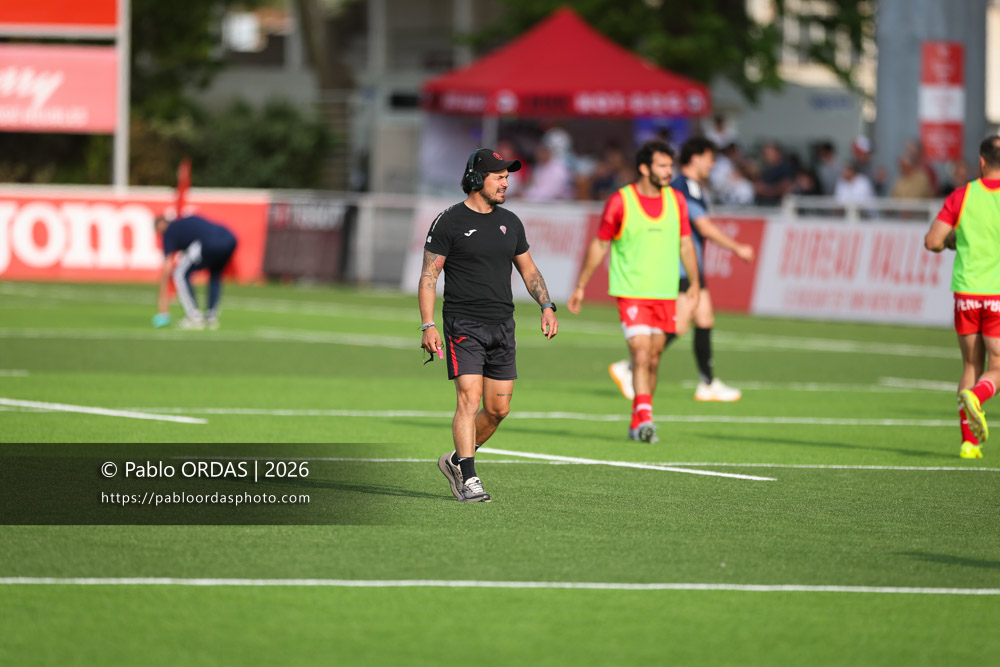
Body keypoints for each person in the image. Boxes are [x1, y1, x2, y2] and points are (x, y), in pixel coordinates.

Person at [420, 148, 559, 501]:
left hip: (502, 326)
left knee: (498, 410)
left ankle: (455, 460)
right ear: (476, 178)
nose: (506, 183)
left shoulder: (511, 222)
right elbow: (428, 277)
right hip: (463, 324)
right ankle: (468, 477)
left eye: (507, 177)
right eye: (499, 177)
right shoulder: (448, 221)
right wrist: (427, 325)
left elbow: (529, 270)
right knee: (469, 397)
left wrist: (546, 304)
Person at [567, 140, 700, 443]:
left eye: (670, 166)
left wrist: (693, 282)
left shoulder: (677, 200)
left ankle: (637, 418)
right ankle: (647, 418)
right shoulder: (620, 201)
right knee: (640, 352)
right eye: (663, 166)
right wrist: (581, 286)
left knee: (653, 358)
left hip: (665, 292)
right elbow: (601, 243)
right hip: (631, 291)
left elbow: (685, 243)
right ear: (644, 168)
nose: (669, 172)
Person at [604, 138, 754, 404]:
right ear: (695, 158)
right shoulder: (681, 187)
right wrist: (738, 248)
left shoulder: (693, 187)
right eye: (709, 157)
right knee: (681, 324)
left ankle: (708, 383)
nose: (713, 163)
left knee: (705, 319)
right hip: (679, 267)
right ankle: (630, 366)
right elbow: (703, 226)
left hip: (692, 266)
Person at [924, 134, 1000, 459]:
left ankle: (969, 443)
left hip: (966, 292)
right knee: (997, 367)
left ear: (981, 161)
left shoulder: (962, 195)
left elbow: (932, 241)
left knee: (971, 364)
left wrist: (951, 242)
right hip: (997, 295)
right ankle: (979, 398)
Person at [153, 214, 238, 330]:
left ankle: (194, 317)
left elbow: (167, 266)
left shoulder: (169, 232)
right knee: (215, 275)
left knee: (179, 273)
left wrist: (162, 298)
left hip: (208, 242)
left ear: (161, 225)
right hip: (230, 239)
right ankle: (211, 317)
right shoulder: (184, 223)